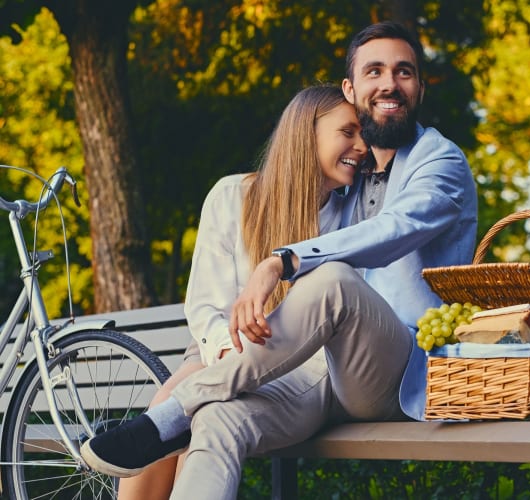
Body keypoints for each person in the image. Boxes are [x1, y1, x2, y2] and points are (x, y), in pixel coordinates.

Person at [82, 21, 478, 500]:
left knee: (331, 280)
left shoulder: (440, 164)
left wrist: (281, 262)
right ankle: (183, 413)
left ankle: (168, 416)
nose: (389, 83)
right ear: (351, 90)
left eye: (404, 71)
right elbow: (211, 307)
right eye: (374, 71)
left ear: (420, 85)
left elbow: (391, 233)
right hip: (310, 374)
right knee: (218, 421)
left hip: (393, 374)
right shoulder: (345, 183)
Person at [114, 83, 366, 499]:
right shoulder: (233, 196)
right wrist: (232, 358)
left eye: (363, 135)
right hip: (220, 352)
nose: (361, 146)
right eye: (348, 132)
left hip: (300, 367)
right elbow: (206, 306)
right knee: (177, 398)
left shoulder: (352, 218)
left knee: (194, 408)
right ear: (308, 132)